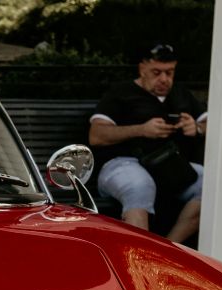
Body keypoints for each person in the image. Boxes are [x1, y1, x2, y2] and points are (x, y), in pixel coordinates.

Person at [88, 43, 208, 244]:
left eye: (169, 72)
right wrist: (141, 129)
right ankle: (141, 255)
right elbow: (96, 135)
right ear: (142, 68)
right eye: (157, 72)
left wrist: (196, 128)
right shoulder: (121, 93)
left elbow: (213, 123)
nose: (164, 79)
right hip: (123, 163)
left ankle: (168, 250)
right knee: (140, 185)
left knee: (210, 183)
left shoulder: (180, 93)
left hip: (170, 167)